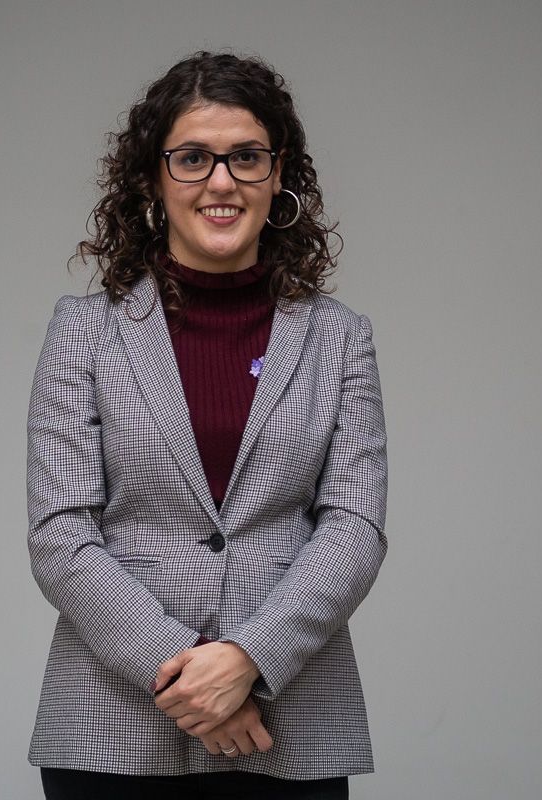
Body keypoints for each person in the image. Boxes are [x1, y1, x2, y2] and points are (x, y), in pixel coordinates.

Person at [26, 51, 388, 800]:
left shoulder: (340, 338)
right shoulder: (83, 333)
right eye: (193, 158)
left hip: (287, 721)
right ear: (153, 178)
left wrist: (249, 659)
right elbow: (61, 533)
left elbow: (354, 526)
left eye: (246, 157)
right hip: (113, 728)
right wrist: (189, 673)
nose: (221, 181)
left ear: (278, 174)